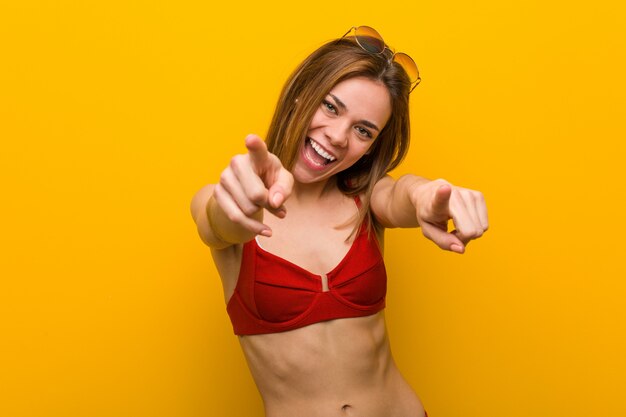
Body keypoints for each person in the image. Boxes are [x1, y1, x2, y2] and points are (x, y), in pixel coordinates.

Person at [190, 26, 488, 417]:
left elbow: (402, 195)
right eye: (331, 107)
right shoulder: (228, 201)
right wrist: (236, 204)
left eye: (363, 131)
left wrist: (428, 196)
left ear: (371, 148)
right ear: (301, 96)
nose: (337, 136)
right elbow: (217, 221)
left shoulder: (366, 201)